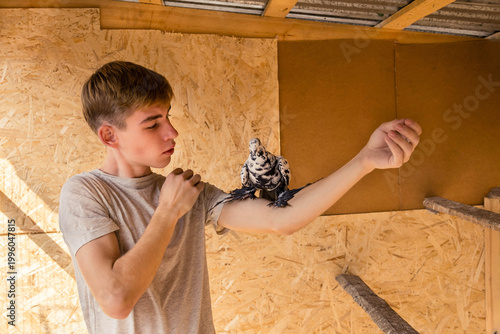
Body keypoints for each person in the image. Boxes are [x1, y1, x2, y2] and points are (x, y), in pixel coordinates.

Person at [59, 61, 422, 334]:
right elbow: (116, 299)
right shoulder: (86, 193)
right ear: (109, 136)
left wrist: (365, 161)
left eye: (168, 117)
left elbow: (281, 220)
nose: (172, 132)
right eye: (153, 124)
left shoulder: (188, 191)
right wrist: (168, 212)